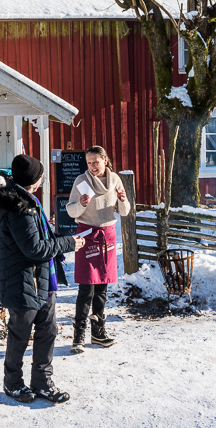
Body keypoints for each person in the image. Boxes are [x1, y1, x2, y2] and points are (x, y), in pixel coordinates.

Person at [0, 154, 84, 404]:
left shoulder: (28, 203)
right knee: (20, 335)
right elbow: (35, 249)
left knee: (48, 330)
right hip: (23, 282)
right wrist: (68, 243)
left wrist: (55, 236)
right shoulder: (20, 208)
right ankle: (13, 383)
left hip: (41, 280)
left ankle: (42, 382)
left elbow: (38, 240)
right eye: (41, 175)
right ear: (36, 180)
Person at [66, 145, 131, 353]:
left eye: (96, 161)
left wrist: (122, 200)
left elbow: (124, 211)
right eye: (89, 162)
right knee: (86, 288)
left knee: (102, 287)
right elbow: (70, 210)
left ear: (105, 160)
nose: (92, 166)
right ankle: (78, 337)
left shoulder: (115, 181)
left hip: (108, 235)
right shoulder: (81, 181)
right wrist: (82, 204)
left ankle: (98, 333)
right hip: (87, 236)